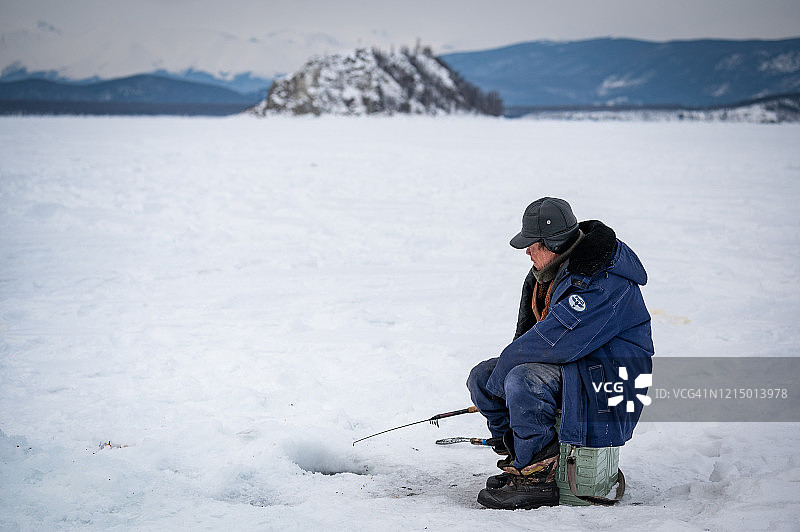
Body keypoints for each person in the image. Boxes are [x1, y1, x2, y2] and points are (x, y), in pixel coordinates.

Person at [466, 197, 654, 510]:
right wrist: (496, 390)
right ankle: (519, 458)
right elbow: (534, 341)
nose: (527, 251)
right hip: (579, 366)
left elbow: (555, 341)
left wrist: (501, 388)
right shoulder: (552, 272)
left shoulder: (600, 281)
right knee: (481, 377)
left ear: (552, 244)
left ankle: (536, 478)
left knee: (523, 380)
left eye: (531, 244)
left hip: (610, 380)